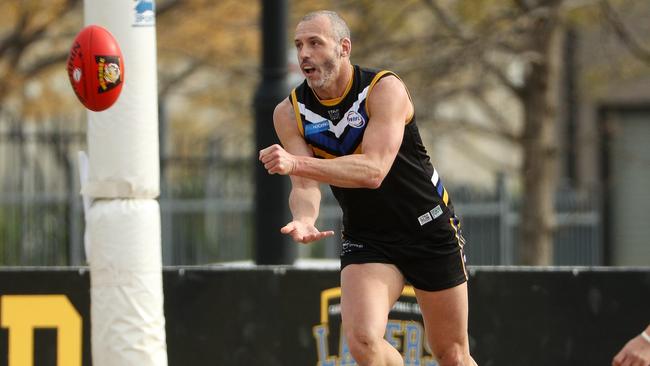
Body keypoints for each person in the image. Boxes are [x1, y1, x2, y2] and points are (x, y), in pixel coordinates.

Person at [259, 10, 478, 366]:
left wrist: (297, 162)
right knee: (361, 340)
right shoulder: (290, 112)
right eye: (299, 45)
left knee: (452, 354)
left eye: (315, 43)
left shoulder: (383, 88)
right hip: (368, 235)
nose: (304, 54)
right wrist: (304, 217)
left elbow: (373, 170)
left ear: (344, 48)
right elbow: (304, 184)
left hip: (428, 227)